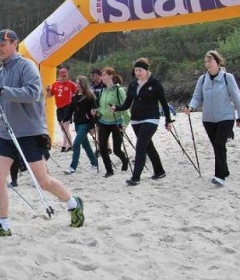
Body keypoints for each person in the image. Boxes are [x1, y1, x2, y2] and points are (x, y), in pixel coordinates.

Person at [0, 29, 85, 237]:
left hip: (30, 132)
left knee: (43, 181)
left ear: (15, 43)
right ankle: (3, 225)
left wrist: (0, 90)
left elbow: (33, 93)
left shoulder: (27, 66)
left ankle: (73, 203)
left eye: (3, 44)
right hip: (6, 133)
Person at [185, 50, 240, 187]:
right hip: (208, 119)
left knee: (219, 144)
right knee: (217, 146)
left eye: (210, 60)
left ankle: (219, 176)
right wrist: (191, 107)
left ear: (217, 62)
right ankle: (225, 169)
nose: (207, 63)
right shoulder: (202, 79)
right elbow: (197, 97)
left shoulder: (227, 77)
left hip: (225, 117)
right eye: (206, 61)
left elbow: (236, 98)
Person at [111, 58, 173, 186]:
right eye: (136, 70)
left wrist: (168, 120)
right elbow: (127, 104)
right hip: (136, 119)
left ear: (146, 70)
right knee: (148, 145)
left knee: (140, 146)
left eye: (140, 70)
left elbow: (164, 103)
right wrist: (117, 108)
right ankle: (159, 171)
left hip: (151, 118)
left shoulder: (155, 83)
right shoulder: (133, 85)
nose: (137, 72)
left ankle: (136, 177)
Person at [94, 67, 130, 177]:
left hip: (117, 122)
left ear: (111, 76)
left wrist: (124, 124)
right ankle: (109, 170)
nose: (102, 77)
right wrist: (97, 111)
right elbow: (102, 107)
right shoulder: (103, 91)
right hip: (103, 122)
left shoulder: (119, 90)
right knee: (103, 147)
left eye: (104, 75)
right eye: (102, 75)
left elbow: (125, 108)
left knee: (117, 150)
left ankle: (125, 160)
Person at [63, 76, 99, 174]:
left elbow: (93, 113)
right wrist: (65, 119)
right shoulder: (75, 96)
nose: (76, 85)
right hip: (77, 124)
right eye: (76, 83)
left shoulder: (90, 97)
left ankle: (73, 166)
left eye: (78, 83)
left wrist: (92, 126)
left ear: (83, 84)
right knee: (86, 145)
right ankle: (94, 163)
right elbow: (70, 109)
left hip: (85, 124)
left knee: (76, 144)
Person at [46, 66, 76, 152]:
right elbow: (49, 95)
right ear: (59, 76)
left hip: (67, 107)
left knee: (65, 127)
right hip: (59, 107)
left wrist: (74, 107)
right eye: (62, 76)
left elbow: (76, 94)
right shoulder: (55, 84)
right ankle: (70, 145)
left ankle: (63, 146)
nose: (64, 77)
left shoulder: (71, 84)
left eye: (65, 76)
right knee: (62, 128)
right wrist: (48, 90)